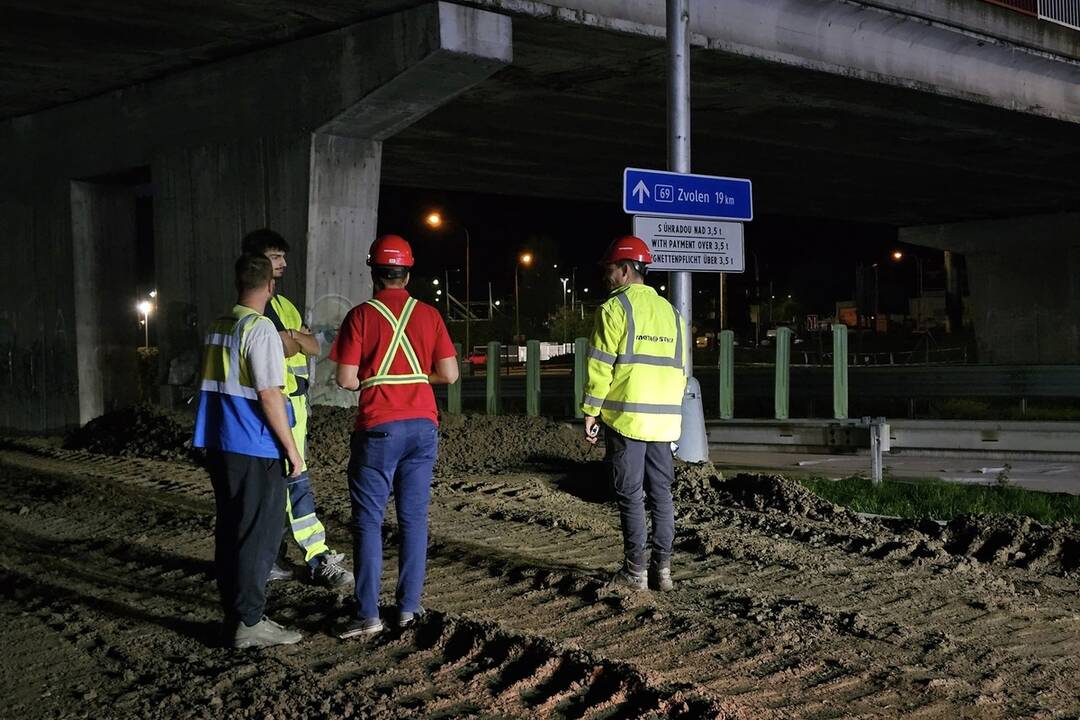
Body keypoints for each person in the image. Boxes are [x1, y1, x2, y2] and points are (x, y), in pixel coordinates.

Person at [330, 234, 459, 638]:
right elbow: (451, 374)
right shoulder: (429, 315)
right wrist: (416, 377)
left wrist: (377, 378)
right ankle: (407, 609)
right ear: (407, 273)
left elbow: (346, 379)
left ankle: (368, 615)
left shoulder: (360, 316)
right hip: (423, 425)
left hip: (379, 427)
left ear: (374, 271)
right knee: (414, 520)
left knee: (368, 522)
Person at [193, 253, 305, 648]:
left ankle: (237, 614)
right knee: (259, 537)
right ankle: (250, 622)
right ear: (270, 286)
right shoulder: (260, 329)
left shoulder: (220, 325)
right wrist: (292, 449)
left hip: (220, 443)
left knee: (231, 531)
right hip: (255, 446)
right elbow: (270, 394)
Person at [240, 229, 353, 590]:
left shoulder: (283, 305)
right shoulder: (254, 313)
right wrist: (292, 341)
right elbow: (289, 348)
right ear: (257, 262)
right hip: (276, 407)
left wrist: (293, 339)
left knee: (277, 488)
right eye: (276, 257)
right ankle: (318, 559)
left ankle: (270, 559)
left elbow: (310, 346)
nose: (284, 263)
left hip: (294, 406)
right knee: (295, 483)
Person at [582, 236, 687, 592]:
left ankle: (635, 572)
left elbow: (600, 367)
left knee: (629, 493)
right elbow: (680, 370)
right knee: (661, 494)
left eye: (610, 270)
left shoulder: (613, 310)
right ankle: (664, 572)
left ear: (625, 270)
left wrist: (591, 411)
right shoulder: (672, 313)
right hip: (664, 421)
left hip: (626, 419)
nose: (607, 277)